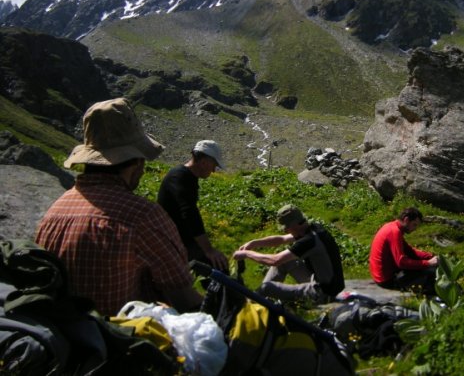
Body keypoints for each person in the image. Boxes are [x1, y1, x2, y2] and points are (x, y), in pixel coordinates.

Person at [35, 98, 202, 316]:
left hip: (61, 338)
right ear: (136, 163)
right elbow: (183, 298)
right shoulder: (142, 216)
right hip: (117, 342)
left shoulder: (55, 210)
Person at [232, 204, 345, 304]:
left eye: (286, 227)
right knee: (286, 262)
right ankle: (262, 299)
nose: (285, 231)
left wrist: (247, 254)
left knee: (267, 287)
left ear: (294, 225)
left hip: (323, 293)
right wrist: (254, 243)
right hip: (326, 283)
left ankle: (251, 305)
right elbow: (281, 239)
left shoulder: (309, 241)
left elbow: (275, 260)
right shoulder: (312, 229)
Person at [157, 140, 229, 272]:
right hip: (171, 241)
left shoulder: (186, 176)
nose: (213, 170)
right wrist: (208, 250)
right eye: (214, 165)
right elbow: (189, 213)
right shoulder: (180, 177)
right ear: (204, 162)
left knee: (214, 267)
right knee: (216, 267)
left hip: (177, 238)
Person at [369, 206, 439, 295]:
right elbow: (401, 262)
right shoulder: (395, 232)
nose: (415, 228)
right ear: (406, 220)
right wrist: (428, 263)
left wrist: (429, 256)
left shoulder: (392, 226)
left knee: (427, 267)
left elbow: (409, 251)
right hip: (387, 280)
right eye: (414, 224)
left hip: (381, 275)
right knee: (430, 272)